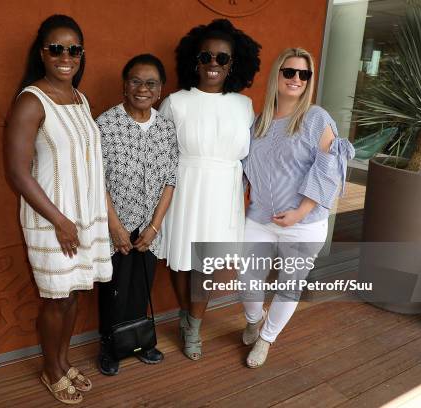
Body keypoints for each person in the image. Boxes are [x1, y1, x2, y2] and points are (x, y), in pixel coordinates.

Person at [3, 14, 112, 405]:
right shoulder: (33, 100)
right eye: (56, 49)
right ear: (42, 53)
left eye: (73, 49)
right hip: (53, 219)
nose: (65, 56)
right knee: (55, 297)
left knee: (73, 294)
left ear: (81, 54)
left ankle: (63, 362)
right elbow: (16, 172)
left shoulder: (80, 99)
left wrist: (89, 219)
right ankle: (51, 370)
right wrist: (60, 220)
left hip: (83, 218)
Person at [240, 48, 355, 368]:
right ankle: (253, 320)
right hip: (260, 217)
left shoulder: (316, 118)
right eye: (289, 72)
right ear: (277, 75)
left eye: (304, 74)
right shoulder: (259, 120)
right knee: (247, 279)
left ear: (309, 80)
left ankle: (266, 339)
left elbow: (328, 170)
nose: (296, 79)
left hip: (304, 222)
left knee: (288, 286)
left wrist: (300, 213)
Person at [158, 19, 261, 360]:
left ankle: (194, 326)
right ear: (194, 60)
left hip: (223, 189)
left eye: (222, 58)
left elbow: (255, 156)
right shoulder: (176, 102)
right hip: (184, 186)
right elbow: (159, 153)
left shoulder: (244, 106)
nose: (213, 64)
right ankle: (187, 317)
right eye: (206, 57)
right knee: (178, 260)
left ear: (234, 64)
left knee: (205, 262)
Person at [95, 54, 178, 376]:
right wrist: (115, 227)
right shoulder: (105, 124)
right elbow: (97, 181)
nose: (142, 88)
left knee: (141, 287)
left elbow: (171, 179)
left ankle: (141, 342)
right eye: (135, 81)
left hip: (149, 226)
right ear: (124, 86)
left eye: (151, 83)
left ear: (159, 92)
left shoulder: (166, 129)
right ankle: (110, 347)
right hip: (115, 224)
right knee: (113, 288)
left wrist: (155, 226)